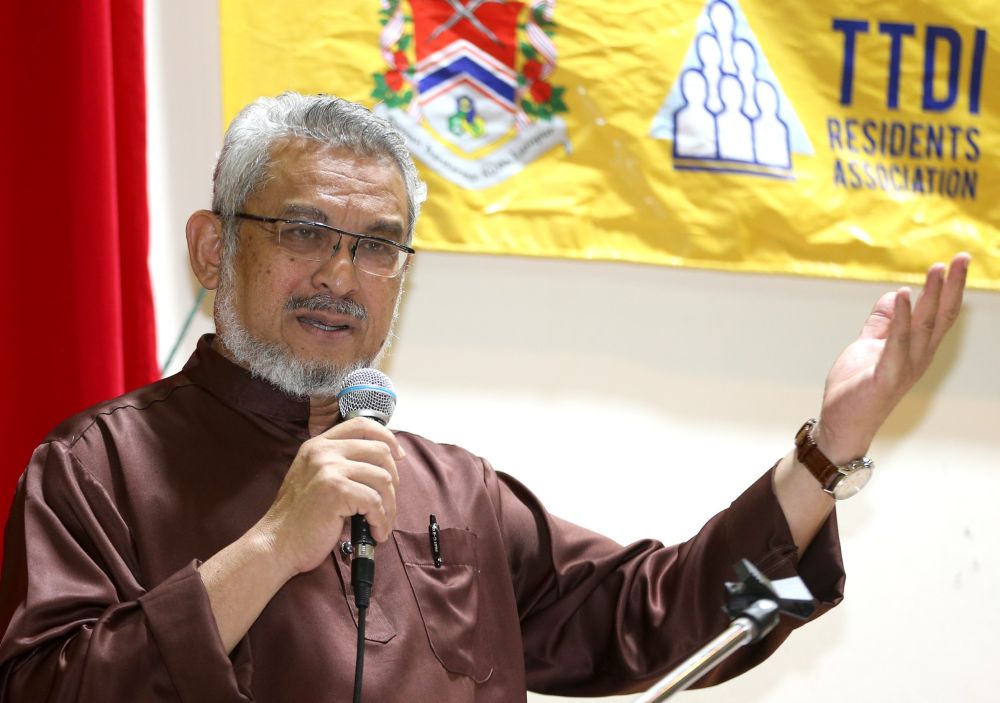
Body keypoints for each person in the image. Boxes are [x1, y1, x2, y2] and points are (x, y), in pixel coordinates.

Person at [0, 92, 969, 702]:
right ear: (214, 249)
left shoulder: (450, 490)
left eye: (378, 244)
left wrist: (827, 447)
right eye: (304, 230)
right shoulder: (96, 470)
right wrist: (267, 550)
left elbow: (656, 616)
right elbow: (47, 687)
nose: (341, 271)